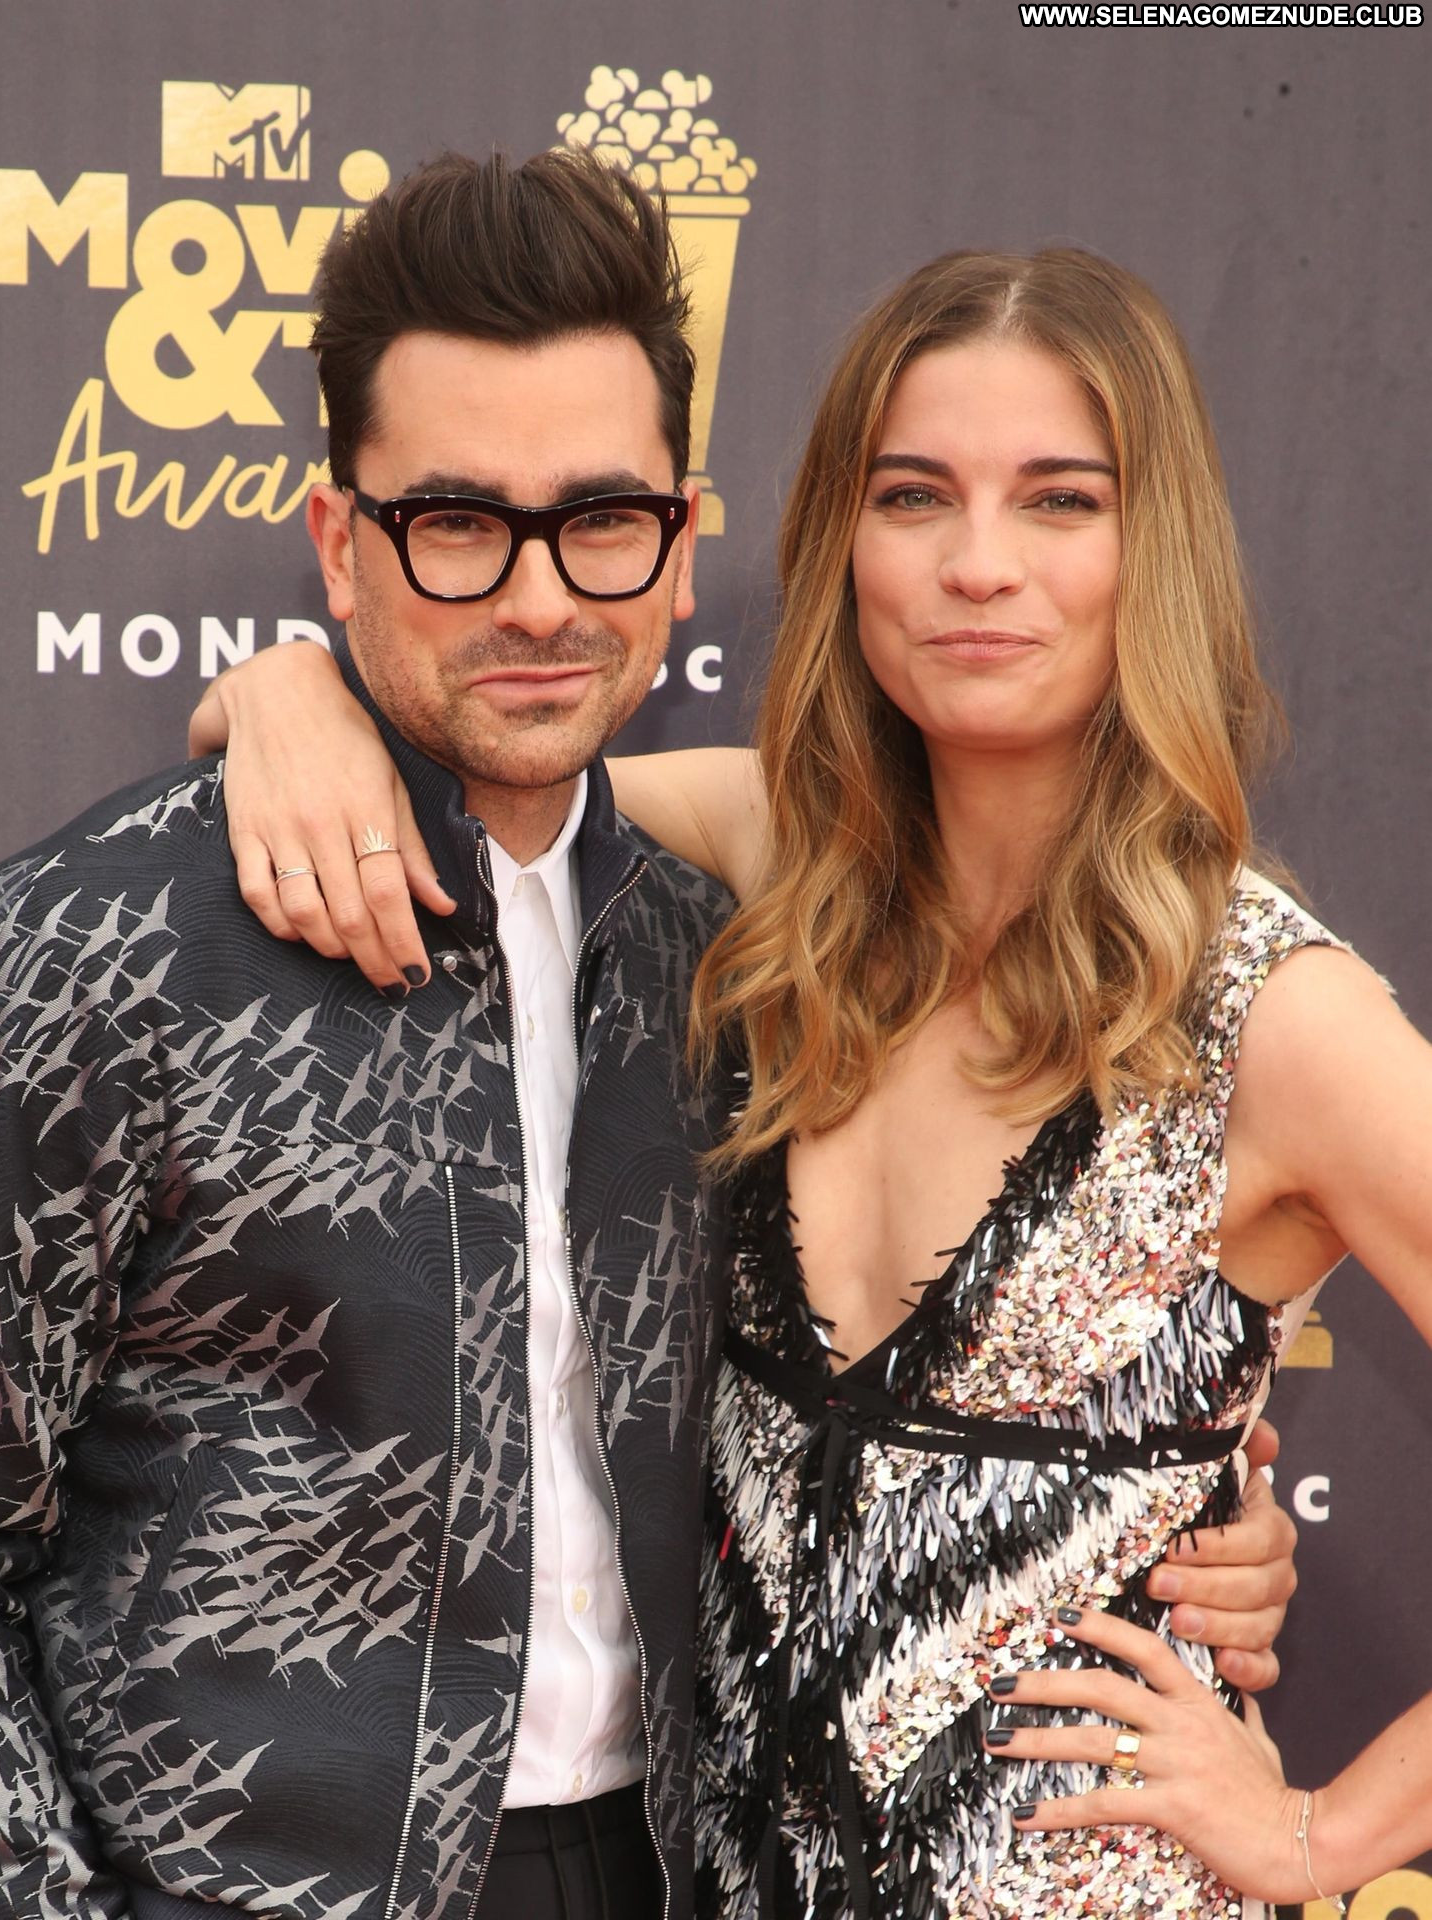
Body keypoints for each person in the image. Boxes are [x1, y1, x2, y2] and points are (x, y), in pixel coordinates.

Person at [195, 242, 1432, 1919]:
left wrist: (1321, 1838)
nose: (977, 564)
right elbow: (480, 757)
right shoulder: (772, 864)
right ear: (838, 541)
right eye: (912, 496)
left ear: (1156, 550)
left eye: (1059, 500)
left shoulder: (1269, 1016)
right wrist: (288, 693)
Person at [0, 148, 735, 1920]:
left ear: (681, 544)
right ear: (339, 544)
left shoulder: (720, 971)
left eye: (600, 518)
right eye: (456, 523)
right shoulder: (89, 953)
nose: (539, 598)